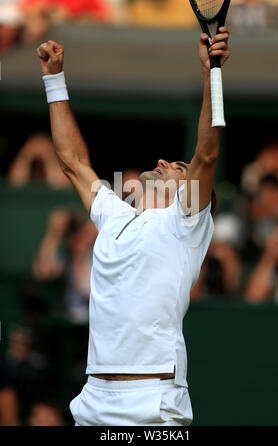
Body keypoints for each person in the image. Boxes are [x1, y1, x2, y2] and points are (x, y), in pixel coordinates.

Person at [36, 26, 230, 425]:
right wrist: (54, 79)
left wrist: (212, 71)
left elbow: (207, 155)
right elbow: (72, 161)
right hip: (92, 401)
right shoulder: (115, 216)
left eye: (178, 169)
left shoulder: (185, 222)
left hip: (151, 405)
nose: (162, 162)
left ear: (191, 194)